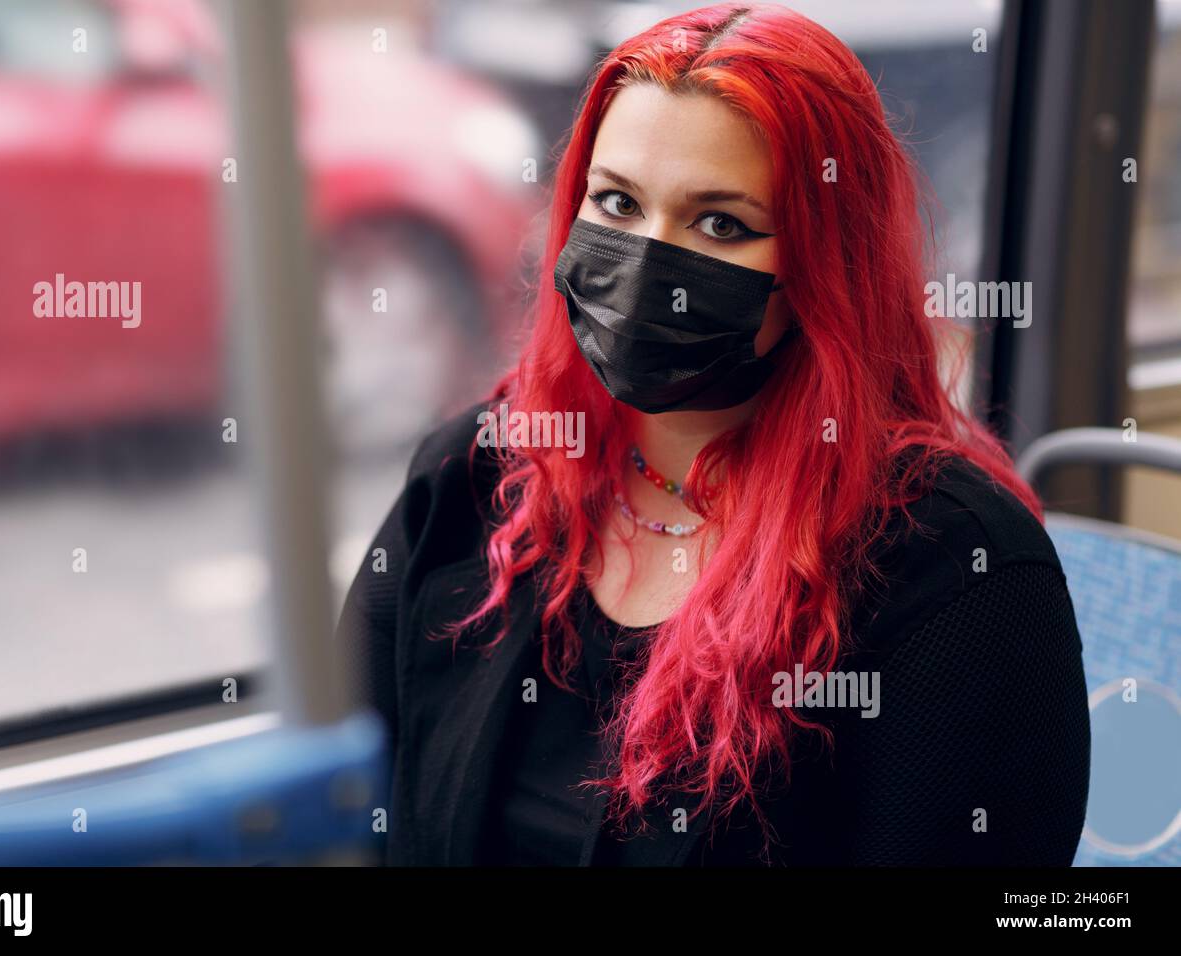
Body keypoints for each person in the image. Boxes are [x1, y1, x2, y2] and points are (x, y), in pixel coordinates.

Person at [336, 1, 1091, 866]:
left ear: (822, 262)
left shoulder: (952, 571)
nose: (652, 261)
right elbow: (342, 807)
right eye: (617, 202)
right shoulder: (474, 476)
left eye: (721, 223)